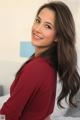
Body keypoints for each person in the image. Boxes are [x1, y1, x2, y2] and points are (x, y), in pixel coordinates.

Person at [0, 1, 80, 120]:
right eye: (38, 21)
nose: (37, 29)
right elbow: (46, 114)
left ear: (58, 36)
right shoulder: (49, 64)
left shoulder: (37, 67)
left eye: (47, 26)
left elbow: (8, 114)